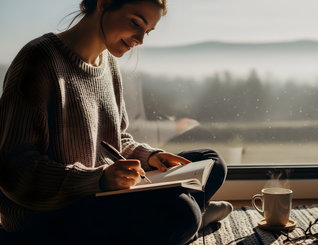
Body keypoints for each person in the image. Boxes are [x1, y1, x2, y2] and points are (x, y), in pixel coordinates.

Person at [0, 0, 232, 244]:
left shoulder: (108, 63)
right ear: (104, 3)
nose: (141, 39)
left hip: (102, 193)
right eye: (136, 23)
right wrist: (97, 179)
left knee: (211, 161)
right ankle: (194, 218)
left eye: (148, 31)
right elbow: (15, 171)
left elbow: (114, 140)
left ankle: (190, 220)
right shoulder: (38, 60)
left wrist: (150, 157)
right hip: (50, 213)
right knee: (181, 213)